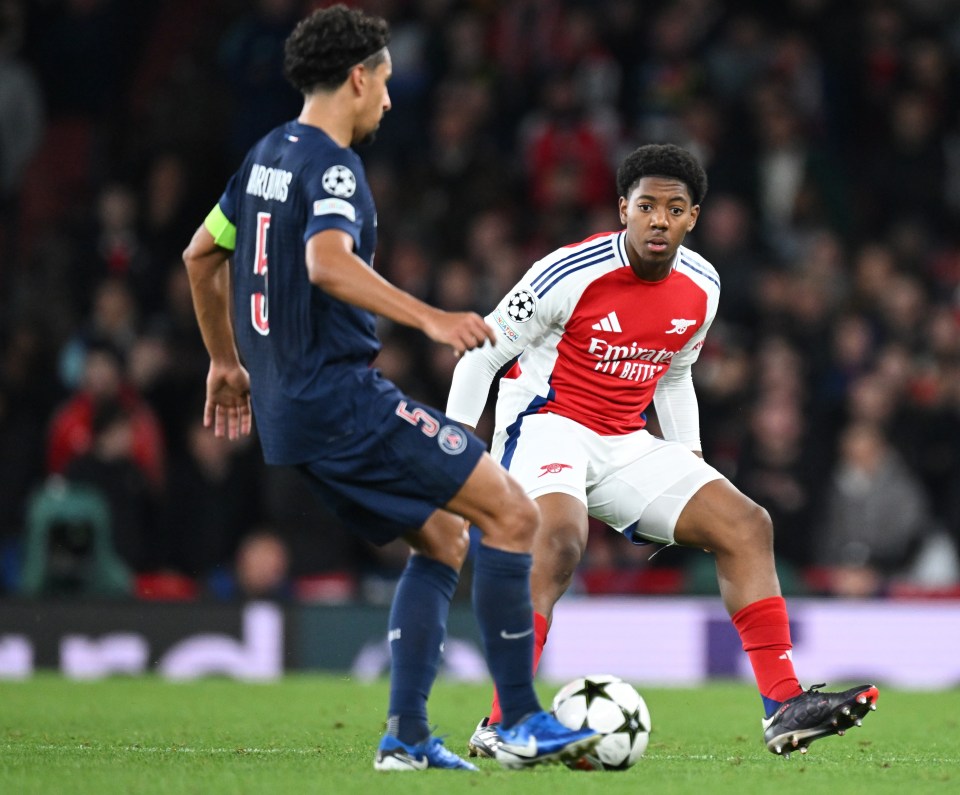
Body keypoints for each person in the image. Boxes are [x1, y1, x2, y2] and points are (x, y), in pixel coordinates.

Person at [181, 5, 598, 772]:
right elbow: (326, 262)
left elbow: (201, 254)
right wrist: (433, 317)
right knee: (512, 512)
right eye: (385, 83)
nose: (389, 101)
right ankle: (521, 720)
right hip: (338, 398)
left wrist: (224, 360)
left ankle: (405, 734)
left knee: (444, 536)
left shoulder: (266, 153)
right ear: (356, 77)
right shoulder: (334, 167)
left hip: (287, 408)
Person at [446, 143, 879, 759]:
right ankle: (502, 721)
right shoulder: (566, 272)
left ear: (692, 218)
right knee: (560, 543)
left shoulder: (703, 285)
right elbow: (480, 355)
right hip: (547, 425)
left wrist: (688, 463)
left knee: (746, 524)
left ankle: (783, 704)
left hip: (625, 438)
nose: (658, 220)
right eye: (645, 206)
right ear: (623, 208)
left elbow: (674, 376)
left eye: (673, 209)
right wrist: (455, 459)